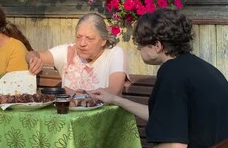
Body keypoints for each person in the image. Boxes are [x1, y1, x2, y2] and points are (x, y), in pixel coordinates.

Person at [89, 8, 228, 147]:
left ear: (157, 46)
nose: (138, 49)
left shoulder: (172, 73)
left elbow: (174, 145)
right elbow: (163, 116)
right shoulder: (200, 68)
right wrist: (115, 99)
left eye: (140, 44)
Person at [27, 13, 129, 95]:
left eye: (89, 38)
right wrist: (33, 58)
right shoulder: (69, 51)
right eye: (78, 37)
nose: (82, 43)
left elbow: (114, 91)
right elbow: (33, 54)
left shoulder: (115, 54)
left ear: (103, 40)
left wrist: (75, 94)